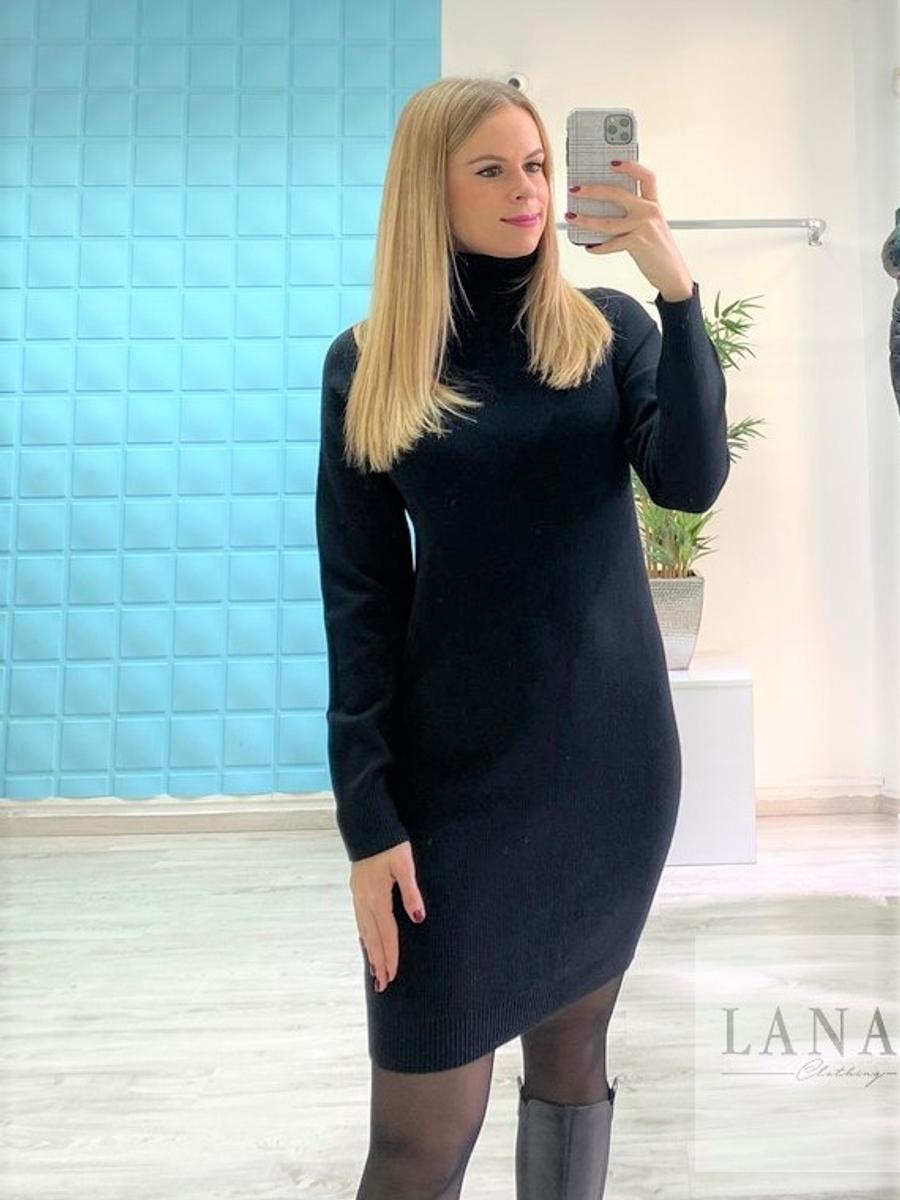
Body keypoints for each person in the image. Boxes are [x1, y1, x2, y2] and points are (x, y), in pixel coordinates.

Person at [315, 76, 730, 1200]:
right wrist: (367, 819)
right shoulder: (369, 363)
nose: (528, 189)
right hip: (449, 788)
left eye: (537, 165)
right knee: (417, 1140)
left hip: (607, 771)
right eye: (492, 169)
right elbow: (360, 603)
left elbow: (689, 479)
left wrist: (676, 289)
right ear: (430, 190)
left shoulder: (609, 332)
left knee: (572, 1064)